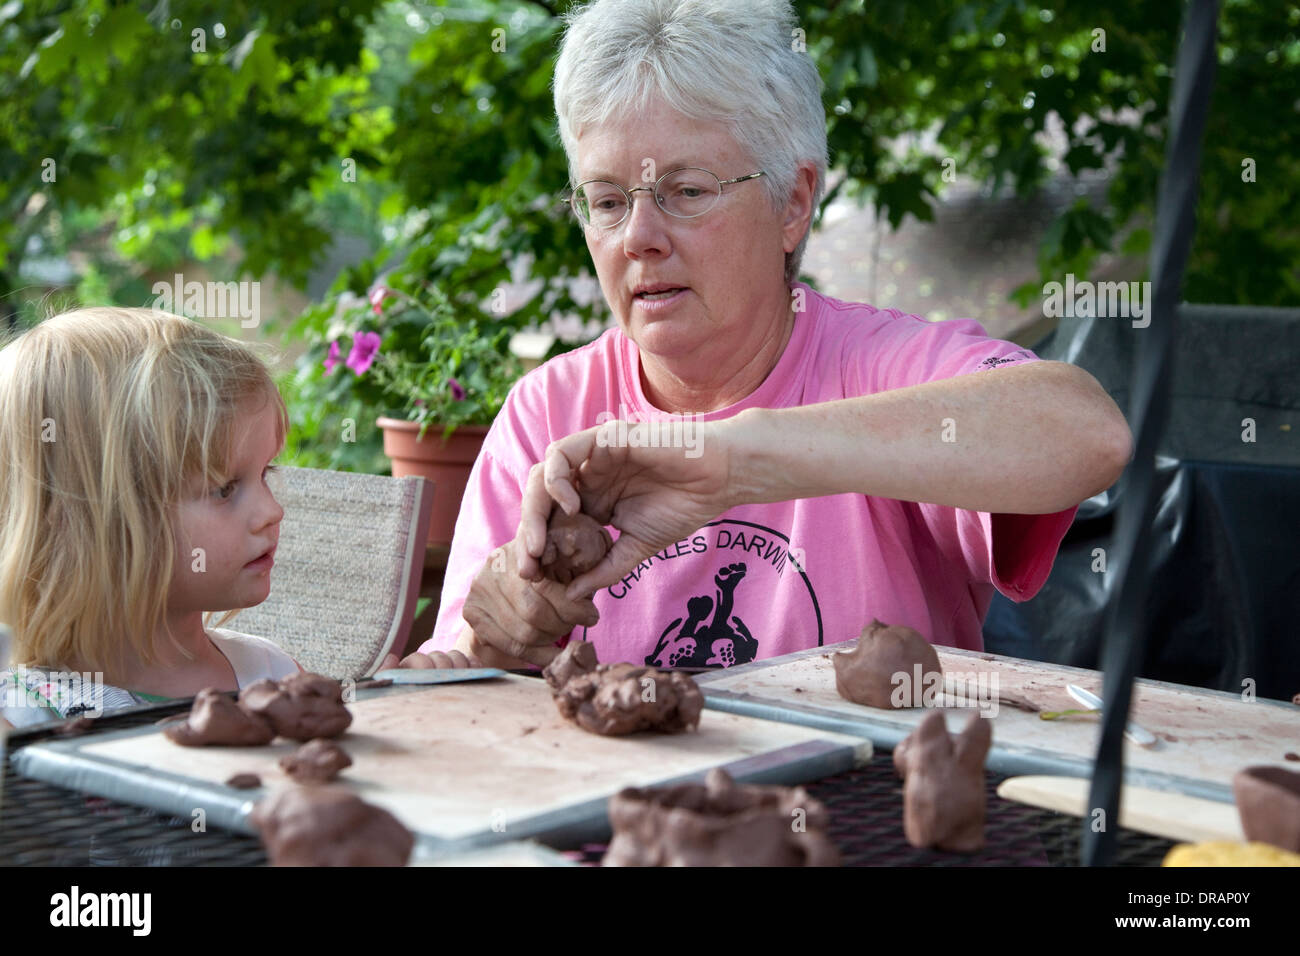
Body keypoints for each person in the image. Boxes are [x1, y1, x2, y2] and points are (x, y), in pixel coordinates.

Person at [410, 0, 1132, 671]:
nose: (638, 237)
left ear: (793, 203)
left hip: (868, 806)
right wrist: (491, 634)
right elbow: (446, 691)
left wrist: (732, 460)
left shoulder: (878, 366)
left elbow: (1087, 432)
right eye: (606, 201)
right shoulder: (548, 411)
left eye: (687, 191)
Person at [0, 307, 299, 728]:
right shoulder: (24, 716)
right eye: (225, 489)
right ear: (87, 521)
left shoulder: (271, 675)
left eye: (266, 473)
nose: (272, 512)